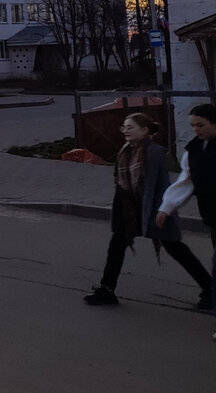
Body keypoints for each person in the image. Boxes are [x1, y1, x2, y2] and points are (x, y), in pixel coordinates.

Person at [84, 112, 213, 307]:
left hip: (155, 208)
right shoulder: (126, 150)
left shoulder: (152, 152)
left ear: (144, 130)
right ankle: (107, 289)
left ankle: (209, 289)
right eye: (124, 127)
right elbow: (123, 183)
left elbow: (152, 186)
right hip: (130, 209)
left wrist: (161, 211)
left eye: (131, 127)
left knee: (176, 248)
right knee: (117, 245)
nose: (126, 131)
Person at [154, 103, 216, 316]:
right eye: (193, 126)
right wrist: (166, 207)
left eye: (201, 125)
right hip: (212, 214)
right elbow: (186, 181)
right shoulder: (194, 149)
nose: (196, 130)